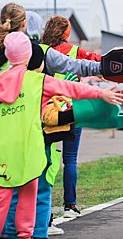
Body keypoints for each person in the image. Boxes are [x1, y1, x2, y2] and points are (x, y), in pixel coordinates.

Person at [0, 3, 123, 239]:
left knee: (1, 193)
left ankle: (3, 236)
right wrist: (104, 68)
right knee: (39, 187)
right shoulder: (36, 54)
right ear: (25, 26)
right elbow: (73, 68)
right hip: (35, 135)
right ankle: (38, 235)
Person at [41, 15, 104, 218]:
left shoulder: (41, 52)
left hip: (47, 112)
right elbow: (98, 62)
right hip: (71, 110)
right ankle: (70, 206)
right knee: (70, 159)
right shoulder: (77, 52)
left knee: (44, 161)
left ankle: (45, 212)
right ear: (66, 33)